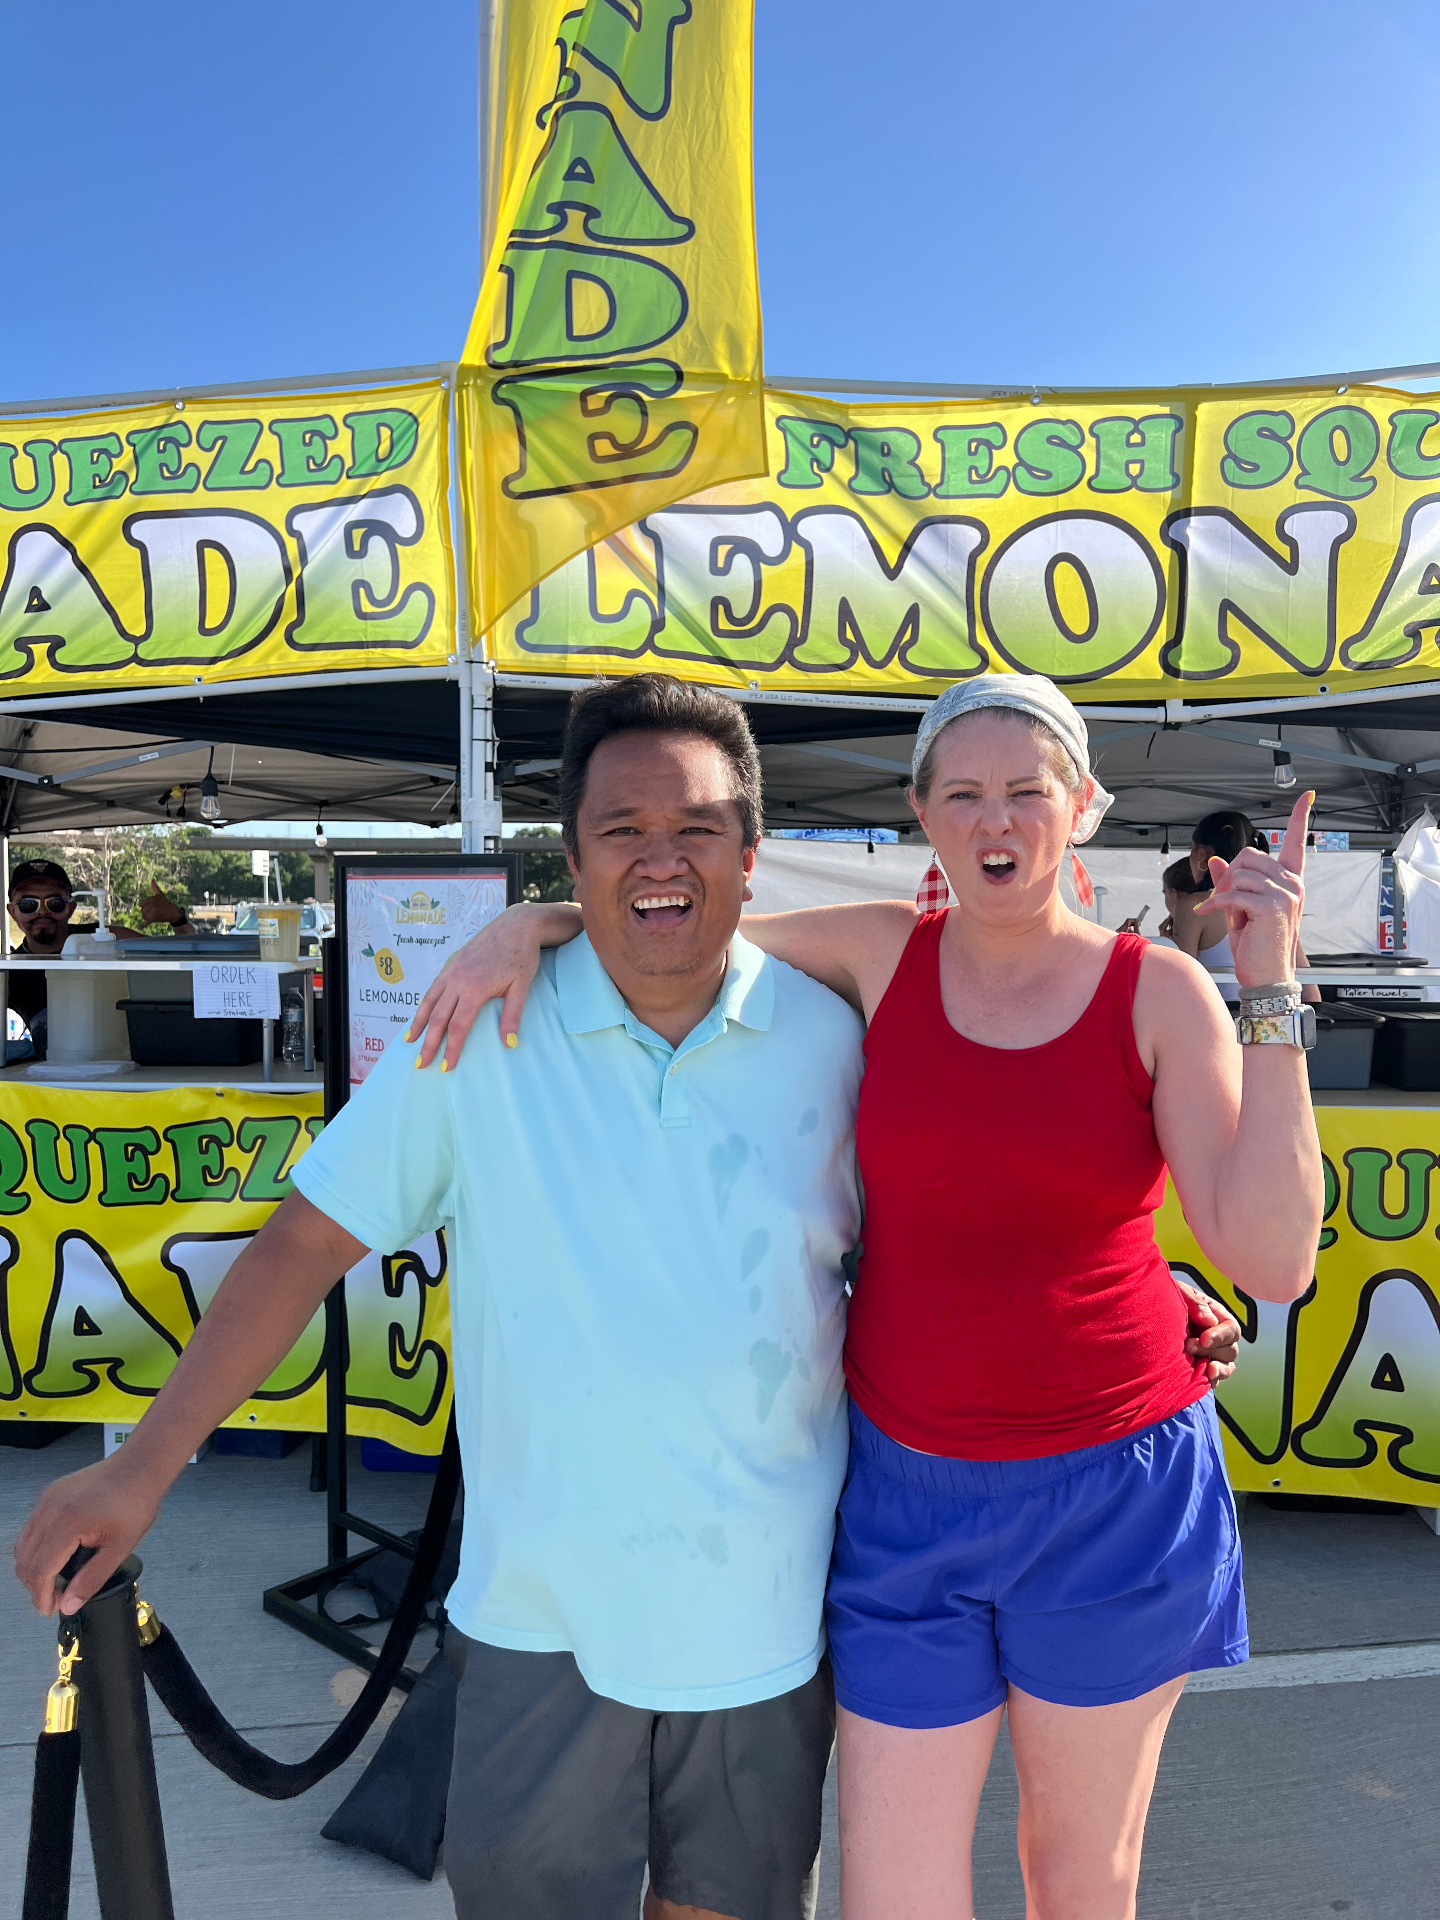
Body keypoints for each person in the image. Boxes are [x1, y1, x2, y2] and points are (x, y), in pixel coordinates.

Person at [12, 675, 1241, 1920]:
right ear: (573, 855)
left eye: (699, 829)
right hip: (540, 1623)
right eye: (621, 832)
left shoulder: (837, 1036)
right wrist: (142, 1467)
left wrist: (1154, 1287)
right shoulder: (473, 1035)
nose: (662, 861)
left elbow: (976, 1211)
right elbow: (295, 1250)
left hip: (768, 1626)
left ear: (753, 856)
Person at [407, 672, 1320, 1920]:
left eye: (1026, 793)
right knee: (890, 1896)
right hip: (906, 1494)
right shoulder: (878, 954)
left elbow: (1271, 1259)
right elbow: (678, 926)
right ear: (922, 813)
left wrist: (1267, 986)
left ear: (1085, 806)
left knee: (1078, 1878)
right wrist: (537, 924)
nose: (995, 822)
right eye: (963, 794)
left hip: (1112, 1482)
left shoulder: (1155, 992)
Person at [5, 860, 198, 1057]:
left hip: (126, 1063)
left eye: (54, 903)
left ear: (70, 908)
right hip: (47, 1076)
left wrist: (177, 917)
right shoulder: (9, 971)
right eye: (28, 904)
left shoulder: (111, 939)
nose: (42, 911)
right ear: (12, 911)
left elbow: (190, 960)